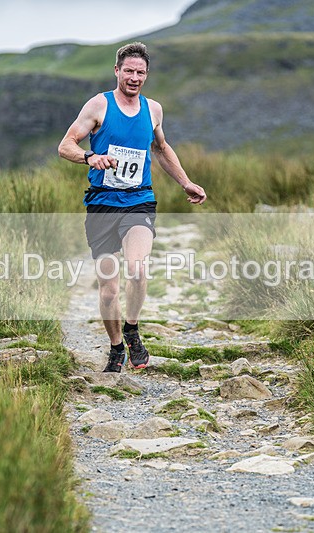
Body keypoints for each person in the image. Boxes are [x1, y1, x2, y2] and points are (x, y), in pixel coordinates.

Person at [58, 41, 207, 372]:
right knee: (109, 290)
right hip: (102, 205)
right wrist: (90, 157)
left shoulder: (153, 109)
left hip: (139, 199)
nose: (135, 77)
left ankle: (132, 330)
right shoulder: (99, 105)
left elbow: (162, 148)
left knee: (138, 268)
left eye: (141, 72)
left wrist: (186, 182)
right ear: (117, 71)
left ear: (147, 74)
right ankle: (115, 347)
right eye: (129, 71)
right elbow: (65, 144)